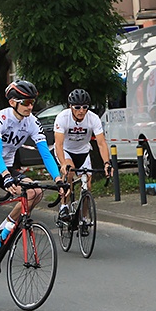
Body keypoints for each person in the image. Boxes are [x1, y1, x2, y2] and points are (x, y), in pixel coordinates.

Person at [0, 81, 65, 291]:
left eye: (32, 102)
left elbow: (45, 153)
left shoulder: (31, 122)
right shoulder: (0, 118)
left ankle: (6, 226)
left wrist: (58, 179)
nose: (30, 107)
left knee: (34, 192)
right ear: (13, 102)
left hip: (7, 167)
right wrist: (6, 176)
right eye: (26, 102)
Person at [52, 89, 111, 222]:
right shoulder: (62, 118)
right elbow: (59, 144)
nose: (81, 110)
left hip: (83, 151)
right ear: (70, 107)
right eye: (77, 107)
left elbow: (101, 143)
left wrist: (106, 163)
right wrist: (63, 164)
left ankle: (83, 217)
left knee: (87, 186)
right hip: (66, 151)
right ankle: (63, 206)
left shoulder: (93, 118)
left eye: (85, 107)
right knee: (70, 172)